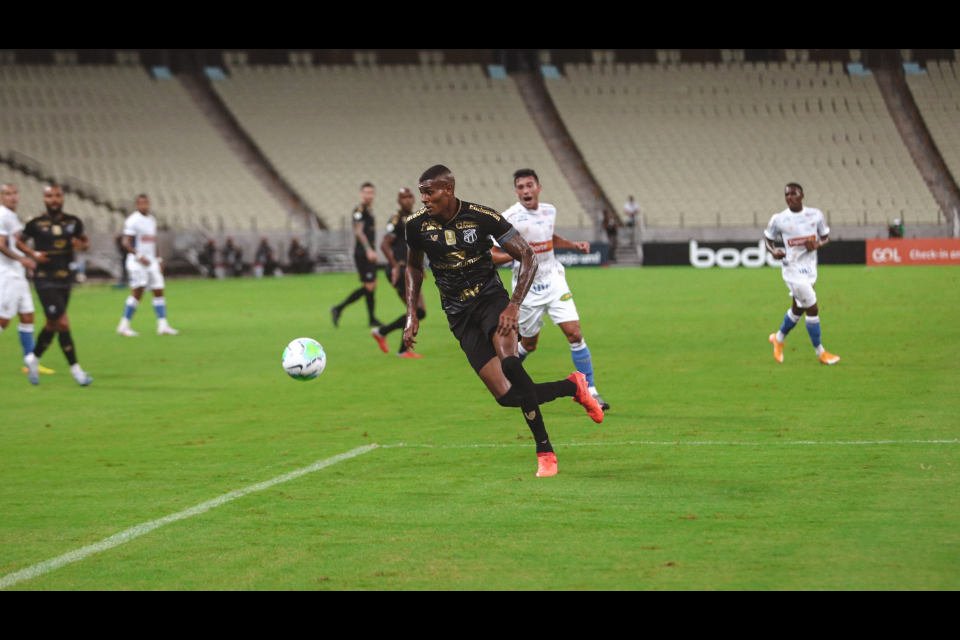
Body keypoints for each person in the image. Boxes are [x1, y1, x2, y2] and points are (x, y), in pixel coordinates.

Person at [403, 165, 604, 479]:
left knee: (512, 363)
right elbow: (414, 268)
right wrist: (412, 313)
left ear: (449, 189)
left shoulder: (484, 217)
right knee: (507, 396)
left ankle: (545, 451)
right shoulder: (415, 225)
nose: (424, 198)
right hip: (458, 315)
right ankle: (573, 386)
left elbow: (527, 255)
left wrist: (513, 305)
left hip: (491, 301)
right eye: (422, 192)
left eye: (430, 192)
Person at [490, 169, 610, 411]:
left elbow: (548, 236)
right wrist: (517, 256)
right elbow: (491, 254)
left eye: (529, 185)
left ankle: (592, 390)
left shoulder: (549, 210)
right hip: (527, 286)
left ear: (538, 187)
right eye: (521, 187)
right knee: (529, 344)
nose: (525, 191)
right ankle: (507, 379)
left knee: (574, 333)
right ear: (516, 191)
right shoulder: (510, 217)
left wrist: (573, 245)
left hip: (554, 279)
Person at [20, 184, 94, 386]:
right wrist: (32, 254)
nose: (54, 199)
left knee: (52, 323)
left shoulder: (73, 222)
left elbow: (84, 242)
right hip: (44, 278)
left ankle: (33, 358)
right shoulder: (35, 223)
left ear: (62, 198)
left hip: (64, 278)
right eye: (50, 196)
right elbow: (19, 241)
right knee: (62, 322)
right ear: (44, 199)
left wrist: (83, 245)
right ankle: (76, 371)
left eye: (58, 196)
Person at [764, 182, 840, 366]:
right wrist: (773, 251)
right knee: (812, 308)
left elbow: (825, 236)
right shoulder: (779, 219)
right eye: (787, 195)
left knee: (798, 308)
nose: (790, 197)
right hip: (791, 269)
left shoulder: (815, 215)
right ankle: (820, 352)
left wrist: (817, 244)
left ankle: (779, 338)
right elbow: (768, 239)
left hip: (810, 268)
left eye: (793, 194)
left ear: (802, 195)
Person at [0, 183, 54, 377]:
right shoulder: (2, 215)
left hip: (18, 275)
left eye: (15, 193)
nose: (12, 197)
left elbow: (17, 243)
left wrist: (31, 255)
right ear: (1, 197)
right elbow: (2, 245)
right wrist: (23, 259)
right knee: (3, 320)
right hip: (7, 275)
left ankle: (30, 362)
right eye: (7, 194)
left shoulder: (12, 217)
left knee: (27, 316)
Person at [371, 187, 427, 358]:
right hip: (400, 269)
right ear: (399, 201)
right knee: (416, 310)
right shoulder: (396, 220)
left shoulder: (413, 218)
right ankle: (389, 338)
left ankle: (387, 336)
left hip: (409, 268)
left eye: (410, 196)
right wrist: (395, 266)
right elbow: (384, 244)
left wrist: (419, 266)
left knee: (419, 311)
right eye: (404, 197)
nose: (408, 200)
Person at [116, 194, 179, 337]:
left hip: (151, 261)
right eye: (141, 203)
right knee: (138, 292)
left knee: (159, 289)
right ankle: (124, 325)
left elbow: (153, 242)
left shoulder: (151, 219)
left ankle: (163, 325)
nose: (144, 205)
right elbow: (126, 242)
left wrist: (159, 259)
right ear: (137, 205)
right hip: (137, 262)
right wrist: (138, 255)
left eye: (146, 203)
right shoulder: (133, 220)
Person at [331, 182, 382, 328]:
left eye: (371, 192)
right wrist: (368, 250)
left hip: (367, 252)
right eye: (366, 192)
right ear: (361, 194)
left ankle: (371, 318)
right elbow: (358, 232)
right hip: (362, 253)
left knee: (371, 285)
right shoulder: (359, 210)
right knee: (369, 286)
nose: (369, 195)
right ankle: (338, 308)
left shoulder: (369, 211)